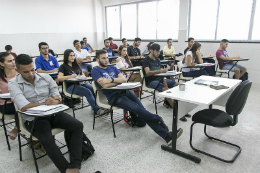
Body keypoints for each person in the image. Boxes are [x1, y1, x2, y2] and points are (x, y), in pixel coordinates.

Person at [8, 54, 83, 173]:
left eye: (32, 70)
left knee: (77, 125)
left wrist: (55, 100)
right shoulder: (13, 83)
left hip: (52, 114)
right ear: (17, 70)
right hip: (33, 119)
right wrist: (47, 102)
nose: (31, 74)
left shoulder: (45, 77)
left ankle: (74, 165)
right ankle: (66, 170)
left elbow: (57, 96)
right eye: (26, 72)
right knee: (47, 139)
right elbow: (24, 106)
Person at [91, 50, 183, 145]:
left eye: (107, 57)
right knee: (139, 110)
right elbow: (104, 86)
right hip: (114, 97)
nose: (106, 60)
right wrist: (116, 81)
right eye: (103, 58)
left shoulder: (112, 67)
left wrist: (110, 80)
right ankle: (158, 119)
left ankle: (167, 137)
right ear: (97, 60)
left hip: (125, 91)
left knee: (142, 111)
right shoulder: (95, 70)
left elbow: (123, 79)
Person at [58, 49, 108, 116]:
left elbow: (83, 74)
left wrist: (81, 75)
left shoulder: (76, 65)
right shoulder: (63, 66)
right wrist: (70, 76)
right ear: (66, 56)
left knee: (93, 88)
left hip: (81, 83)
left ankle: (96, 106)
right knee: (87, 92)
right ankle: (98, 110)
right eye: (70, 55)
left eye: (73, 55)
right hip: (71, 87)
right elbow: (59, 78)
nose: (72, 57)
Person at [143, 43, 179, 109]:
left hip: (159, 79)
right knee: (166, 89)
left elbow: (162, 74)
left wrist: (165, 81)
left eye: (159, 51)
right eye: (157, 51)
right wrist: (161, 71)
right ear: (152, 50)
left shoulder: (157, 60)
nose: (158, 53)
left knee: (178, 84)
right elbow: (148, 73)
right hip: (151, 81)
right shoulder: (146, 60)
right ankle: (177, 111)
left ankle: (175, 103)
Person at [0, 52, 18, 140]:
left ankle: (36, 138)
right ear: (2, 64)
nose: (13, 63)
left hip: (19, 100)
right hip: (5, 104)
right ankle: (17, 128)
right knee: (25, 109)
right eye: (9, 61)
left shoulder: (19, 72)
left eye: (13, 60)